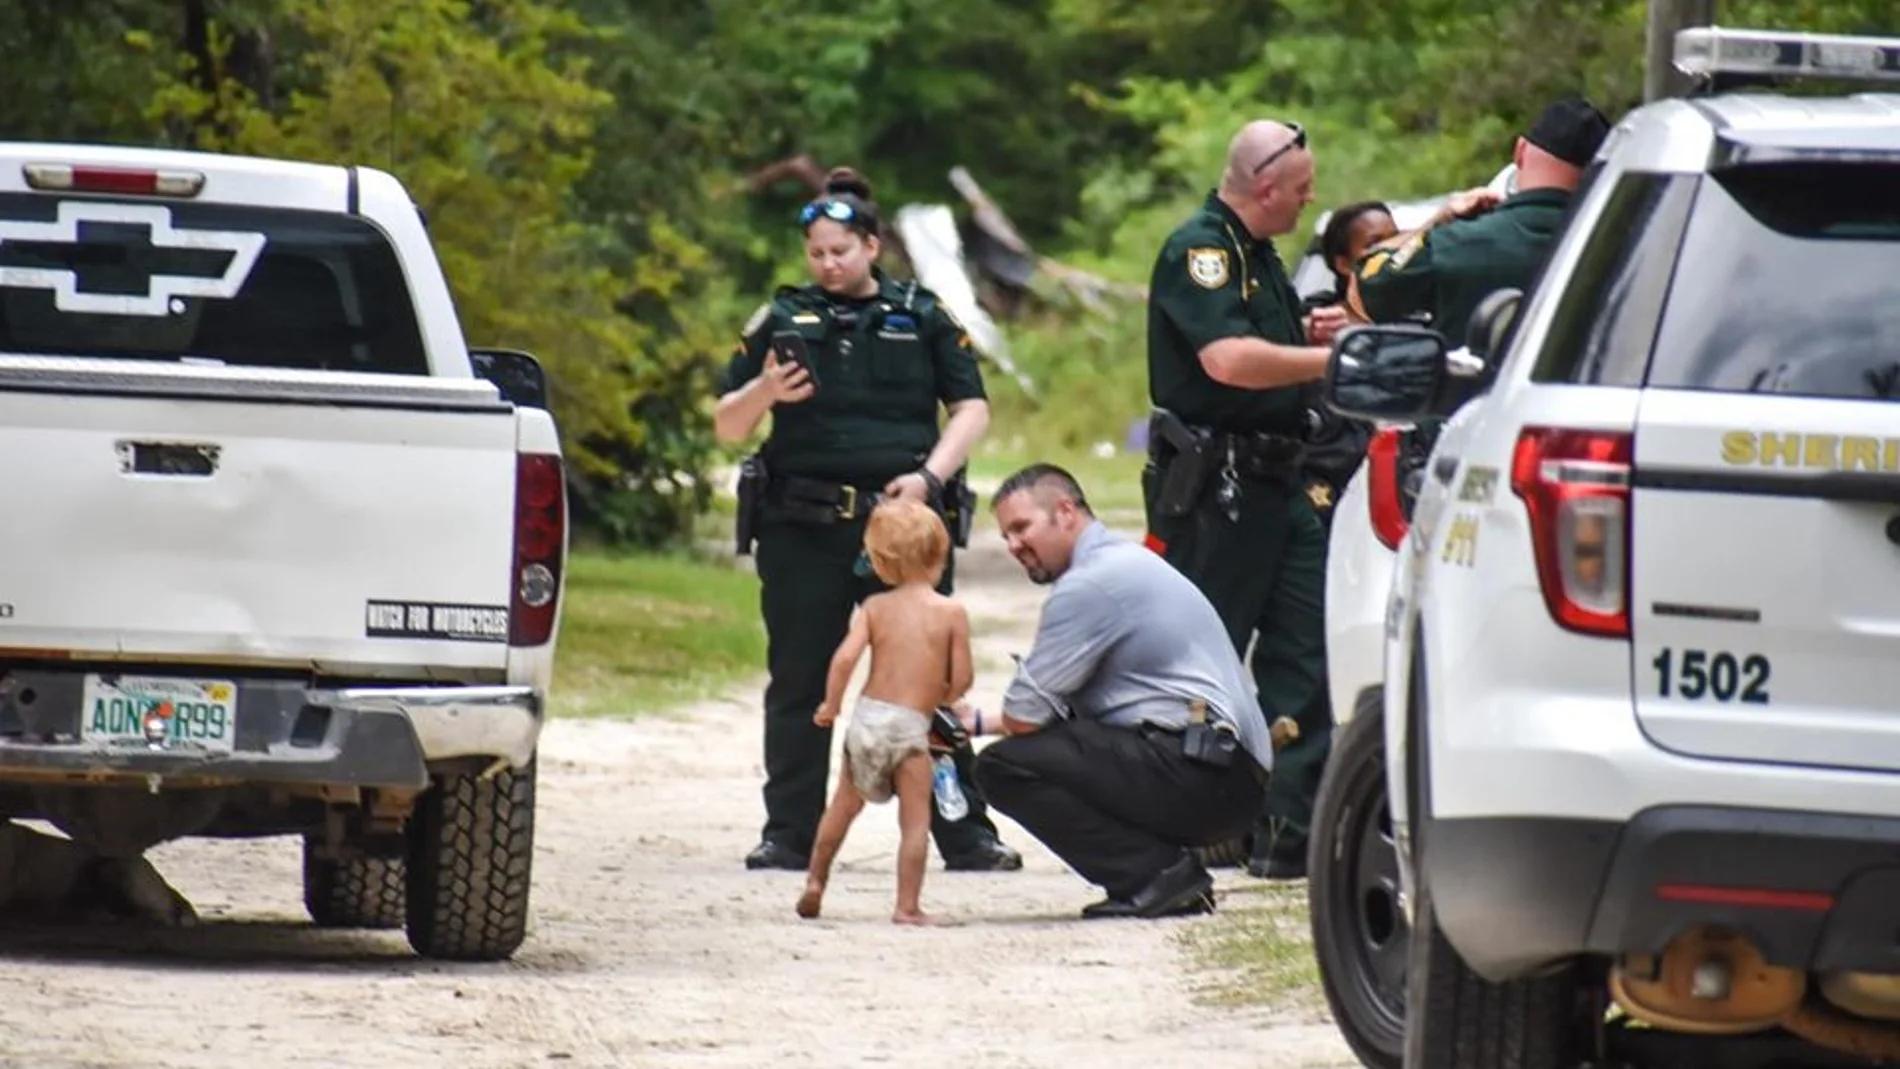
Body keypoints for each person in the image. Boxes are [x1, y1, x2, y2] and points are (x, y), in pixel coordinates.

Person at [713, 166, 1022, 875]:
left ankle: (963, 829)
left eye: (841, 251)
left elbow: (971, 409)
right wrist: (763, 388)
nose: (828, 263)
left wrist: (929, 478)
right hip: (803, 525)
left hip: (901, 528)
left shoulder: (924, 314)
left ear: (873, 246)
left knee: (929, 681)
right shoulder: (781, 318)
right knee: (798, 679)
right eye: (817, 253)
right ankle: (788, 832)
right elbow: (727, 423)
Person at [1140, 119, 1336, 881]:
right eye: (1300, 189)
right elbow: (1226, 361)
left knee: (1308, 645)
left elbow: (1268, 350)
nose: (1309, 199)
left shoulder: (1260, 256)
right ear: (1264, 187)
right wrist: (1331, 356)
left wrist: (1314, 331)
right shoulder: (1204, 249)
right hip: (1218, 488)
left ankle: (1287, 829)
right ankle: (1181, 826)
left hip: (1282, 479)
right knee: (1200, 654)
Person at [958, 464, 1274, 919]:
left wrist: (988, 727)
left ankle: (1156, 876)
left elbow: (1026, 716)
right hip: (1228, 775)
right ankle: (1164, 872)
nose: (1013, 546)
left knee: (1004, 767)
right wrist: (975, 723)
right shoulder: (1123, 561)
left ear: (1065, 511)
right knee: (1051, 746)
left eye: (1022, 528)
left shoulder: (1089, 585)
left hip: (1208, 777)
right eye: (1006, 535)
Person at [796, 499, 973, 925]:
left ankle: (815, 881)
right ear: (940, 555)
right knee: (915, 821)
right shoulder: (951, 612)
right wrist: (943, 697)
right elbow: (963, 676)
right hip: (912, 725)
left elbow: (843, 660)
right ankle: (907, 906)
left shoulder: (874, 609)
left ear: (878, 562)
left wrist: (831, 704)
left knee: (842, 806)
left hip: (868, 718)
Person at [1353, 96, 1611, 342]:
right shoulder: (1615, 252)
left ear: (1519, 152)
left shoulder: (1454, 244)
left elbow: (1369, 285)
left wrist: (1438, 220)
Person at [1295, 200, 1397, 531]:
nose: (1388, 252)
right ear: (1342, 263)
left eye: (1395, 239)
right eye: (1373, 244)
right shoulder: (1315, 323)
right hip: (1329, 485)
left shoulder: (1421, 323)